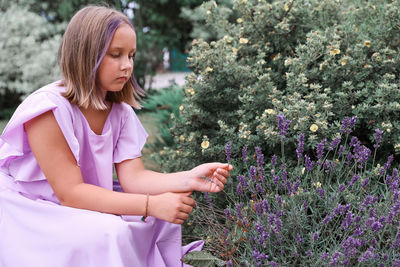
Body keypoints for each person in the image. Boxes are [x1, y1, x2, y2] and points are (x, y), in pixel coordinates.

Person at [0, 5, 232, 267]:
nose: (127, 66)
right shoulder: (48, 110)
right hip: (30, 207)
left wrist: (189, 177)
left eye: (131, 55)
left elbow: (134, 178)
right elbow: (70, 193)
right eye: (115, 55)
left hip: (81, 197)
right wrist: (149, 205)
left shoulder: (120, 112)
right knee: (113, 232)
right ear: (85, 55)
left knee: (153, 220)